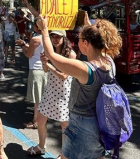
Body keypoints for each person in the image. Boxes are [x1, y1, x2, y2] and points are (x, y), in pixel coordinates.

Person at [36, 14, 122, 159]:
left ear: (86, 43)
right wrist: (89, 27)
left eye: (80, 39)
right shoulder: (109, 61)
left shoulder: (84, 69)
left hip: (82, 125)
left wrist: (44, 30)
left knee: (67, 157)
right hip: (102, 124)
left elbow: (51, 54)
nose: (78, 41)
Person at [26, 30, 76, 157]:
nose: (55, 39)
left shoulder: (71, 55)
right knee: (40, 119)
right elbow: (45, 70)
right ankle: (41, 146)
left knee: (65, 125)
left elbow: (64, 76)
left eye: (58, 37)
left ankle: (65, 154)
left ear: (64, 38)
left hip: (64, 93)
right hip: (50, 90)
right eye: (53, 36)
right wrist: (44, 63)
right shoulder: (49, 51)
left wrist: (48, 63)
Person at [15, 20, 47, 130]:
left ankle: (36, 121)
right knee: (43, 96)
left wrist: (23, 46)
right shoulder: (48, 37)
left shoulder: (35, 39)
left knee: (37, 99)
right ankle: (42, 119)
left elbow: (29, 54)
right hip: (45, 68)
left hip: (36, 68)